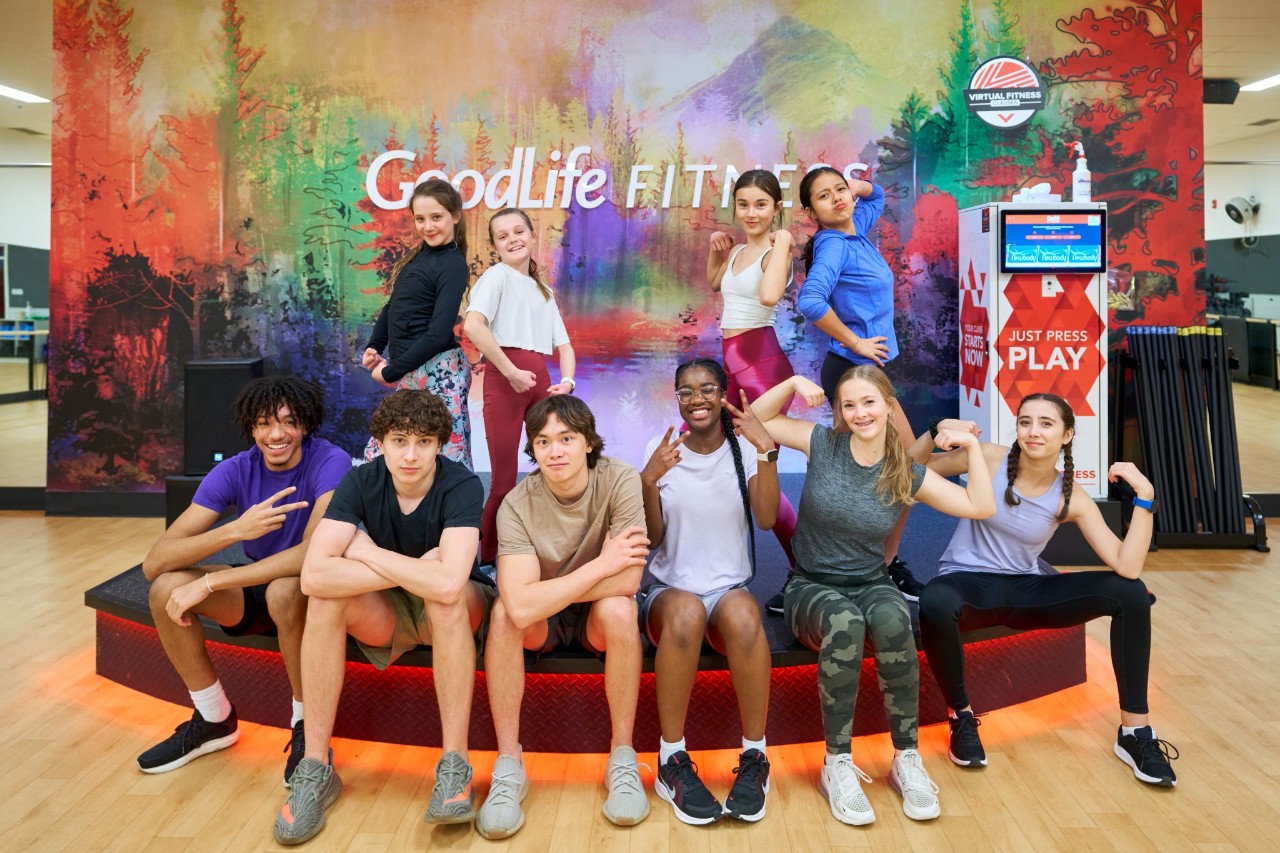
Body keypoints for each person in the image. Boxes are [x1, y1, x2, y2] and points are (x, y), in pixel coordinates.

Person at [750, 367, 996, 825]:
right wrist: (791, 384)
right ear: (840, 412)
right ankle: (836, 763)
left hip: (871, 581)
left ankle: (906, 758)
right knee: (845, 622)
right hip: (812, 585)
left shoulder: (905, 471)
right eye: (849, 405)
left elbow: (980, 506)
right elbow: (755, 419)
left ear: (887, 405)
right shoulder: (822, 444)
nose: (860, 413)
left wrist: (972, 448)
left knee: (894, 618)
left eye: (869, 402)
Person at [915, 395, 1177, 786]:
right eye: (1025, 422)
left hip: (1026, 590)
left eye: (1046, 423)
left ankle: (1135, 732)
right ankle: (961, 717)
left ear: (1067, 434)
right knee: (935, 598)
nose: (1033, 431)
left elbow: (1127, 564)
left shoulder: (1070, 495)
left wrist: (1146, 496)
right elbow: (909, 470)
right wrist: (934, 429)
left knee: (1132, 593)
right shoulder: (988, 457)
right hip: (968, 584)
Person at [273, 390, 492, 845]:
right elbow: (313, 576)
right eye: (399, 441)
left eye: (423, 442)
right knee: (325, 600)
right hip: (389, 609)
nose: (411, 455)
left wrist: (367, 552)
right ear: (380, 443)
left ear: (440, 444)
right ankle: (315, 766)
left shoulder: (462, 484)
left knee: (445, 600)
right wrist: (416, 570)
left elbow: (449, 585)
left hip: (452, 611)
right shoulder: (360, 481)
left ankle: (455, 767)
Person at [138, 376, 350, 783]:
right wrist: (234, 530)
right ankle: (213, 718)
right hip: (257, 586)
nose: (276, 434)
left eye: (288, 422)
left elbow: (313, 556)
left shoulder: (330, 461)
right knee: (165, 588)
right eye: (265, 423)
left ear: (305, 425)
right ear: (251, 428)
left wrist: (210, 583)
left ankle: (307, 726)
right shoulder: (235, 470)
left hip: (311, 591)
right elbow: (154, 563)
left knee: (285, 591)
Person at [476, 395, 651, 839]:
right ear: (532, 450)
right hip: (544, 620)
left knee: (621, 608)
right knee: (503, 615)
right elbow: (519, 607)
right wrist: (602, 565)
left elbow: (629, 579)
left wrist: (546, 592)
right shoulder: (516, 504)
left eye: (566, 439)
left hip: (594, 612)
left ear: (588, 442)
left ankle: (622, 758)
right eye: (543, 441)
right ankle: (509, 764)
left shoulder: (620, 479)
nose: (555, 451)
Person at [639, 359, 778, 824]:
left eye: (707, 389)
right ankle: (671, 760)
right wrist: (648, 480)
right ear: (677, 398)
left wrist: (767, 450)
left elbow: (766, 518)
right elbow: (653, 539)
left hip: (726, 590)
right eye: (686, 391)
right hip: (670, 592)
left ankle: (756, 756)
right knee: (686, 616)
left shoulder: (745, 448)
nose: (696, 399)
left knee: (744, 615)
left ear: (722, 395)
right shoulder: (662, 450)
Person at [793, 166, 923, 601]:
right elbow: (810, 300)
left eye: (840, 190)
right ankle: (833, 571)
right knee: (883, 474)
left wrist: (854, 186)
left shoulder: (855, 228)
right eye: (823, 196)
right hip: (853, 374)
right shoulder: (833, 244)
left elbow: (877, 197)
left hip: (869, 374)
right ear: (811, 211)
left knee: (892, 472)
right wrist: (856, 341)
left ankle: (877, 565)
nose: (837, 199)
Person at [463, 207, 576, 569]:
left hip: (540, 383)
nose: (512, 239)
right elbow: (473, 326)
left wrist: (568, 381)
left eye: (518, 231)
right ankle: (488, 562)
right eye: (503, 236)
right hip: (505, 381)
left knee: (556, 472)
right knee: (503, 481)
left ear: (531, 235)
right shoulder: (496, 277)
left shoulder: (544, 291)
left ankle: (548, 553)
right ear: (495, 245)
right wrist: (510, 371)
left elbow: (565, 347)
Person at [706, 169, 800, 579]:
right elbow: (715, 283)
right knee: (720, 458)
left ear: (776, 208)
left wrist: (784, 241)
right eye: (743, 204)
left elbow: (769, 295)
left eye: (761, 205)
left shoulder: (778, 251)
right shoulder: (738, 252)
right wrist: (716, 249)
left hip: (764, 368)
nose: (751, 213)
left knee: (759, 468)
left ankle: (805, 565)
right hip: (733, 366)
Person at [363, 178, 473, 469]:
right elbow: (393, 306)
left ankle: (454, 502)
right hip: (414, 369)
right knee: (386, 451)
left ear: (455, 216)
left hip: (441, 371)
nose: (428, 226)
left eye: (436, 217)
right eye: (420, 219)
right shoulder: (419, 257)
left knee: (445, 457)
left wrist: (391, 372)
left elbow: (438, 334)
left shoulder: (452, 264)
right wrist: (375, 345)